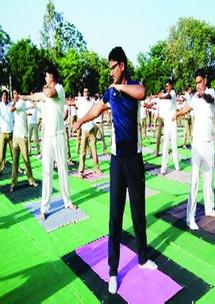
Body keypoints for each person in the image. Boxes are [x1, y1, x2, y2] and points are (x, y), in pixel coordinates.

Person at [73, 47, 157, 295]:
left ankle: (142, 258)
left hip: (135, 159)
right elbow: (96, 109)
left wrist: (120, 88)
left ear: (121, 65)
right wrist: (80, 120)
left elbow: (142, 93)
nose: (109, 72)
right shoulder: (108, 92)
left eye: (112, 67)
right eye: (108, 67)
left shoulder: (132, 86)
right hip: (117, 161)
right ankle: (112, 270)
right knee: (115, 216)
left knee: (138, 212)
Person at [20, 64, 77, 221]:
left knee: (63, 170)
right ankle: (44, 208)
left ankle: (68, 201)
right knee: (46, 172)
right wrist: (24, 97)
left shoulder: (58, 88)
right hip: (47, 138)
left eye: (47, 76)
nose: (45, 78)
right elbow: (36, 96)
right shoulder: (46, 90)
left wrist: (44, 88)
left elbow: (48, 93)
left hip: (59, 136)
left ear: (52, 77)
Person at [173, 69, 215, 230]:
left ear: (205, 81)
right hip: (197, 145)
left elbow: (210, 98)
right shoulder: (194, 98)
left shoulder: (210, 93)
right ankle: (190, 218)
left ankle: (209, 208)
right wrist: (177, 113)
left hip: (209, 143)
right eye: (196, 83)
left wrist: (202, 95)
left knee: (209, 178)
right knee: (194, 180)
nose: (198, 85)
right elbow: (187, 108)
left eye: (200, 82)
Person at [10, 89, 38, 192]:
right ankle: (13, 183)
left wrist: (13, 101)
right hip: (15, 136)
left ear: (19, 94)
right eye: (13, 94)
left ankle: (31, 180)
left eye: (16, 93)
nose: (14, 95)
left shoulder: (20, 103)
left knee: (26, 160)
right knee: (15, 162)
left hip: (22, 136)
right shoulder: (16, 103)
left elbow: (11, 109)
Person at [158, 80, 180, 174]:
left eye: (168, 86)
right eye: (166, 86)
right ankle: (163, 168)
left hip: (173, 123)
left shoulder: (173, 93)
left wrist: (160, 96)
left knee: (174, 144)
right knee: (165, 145)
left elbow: (168, 97)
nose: (167, 87)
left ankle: (177, 165)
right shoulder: (166, 95)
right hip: (167, 123)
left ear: (171, 85)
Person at [0, 90, 14, 175]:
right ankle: (0, 170)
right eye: (3, 95)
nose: (5, 97)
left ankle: (16, 168)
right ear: (1, 97)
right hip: (2, 133)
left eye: (6, 95)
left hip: (11, 132)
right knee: (1, 154)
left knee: (14, 153)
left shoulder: (11, 105)